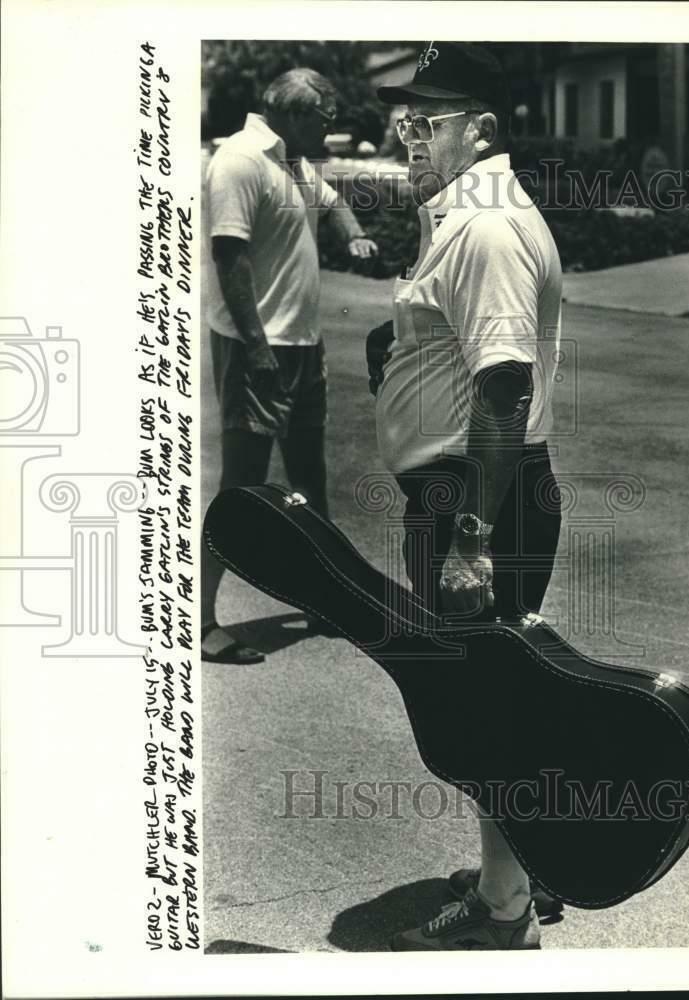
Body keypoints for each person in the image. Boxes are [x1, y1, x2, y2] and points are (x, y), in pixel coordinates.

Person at [369, 42, 564, 950]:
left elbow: (503, 388)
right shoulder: (468, 216)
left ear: (479, 131)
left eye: (428, 123)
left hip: (473, 501)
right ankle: (521, 872)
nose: (408, 136)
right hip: (479, 491)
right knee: (504, 693)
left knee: (480, 707)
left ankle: (501, 912)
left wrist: (471, 538)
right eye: (405, 120)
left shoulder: (483, 226)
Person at [202, 68, 378, 663]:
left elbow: (332, 205)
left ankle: (324, 600)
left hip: (304, 344)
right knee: (242, 491)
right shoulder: (240, 161)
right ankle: (197, 621)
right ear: (297, 115)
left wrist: (353, 233)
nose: (330, 138)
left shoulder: (296, 164)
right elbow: (230, 259)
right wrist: (255, 351)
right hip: (258, 346)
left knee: (311, 483)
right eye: (325, 125)